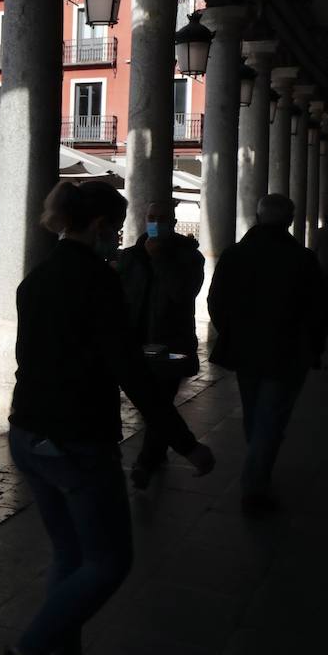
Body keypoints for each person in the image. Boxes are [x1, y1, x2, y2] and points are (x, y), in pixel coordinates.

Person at [0, 181, 214, 655]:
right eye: (116, 227)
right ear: (99, 226)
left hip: (29, 431)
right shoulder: (99, 281)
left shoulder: (37, 277)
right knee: (109, 562)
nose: (120, 235)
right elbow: (130, 370)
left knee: (71, 558)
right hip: (77, 438)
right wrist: (185, 443)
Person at [208, 194, 328, 513]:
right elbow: (319, 309)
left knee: (254, 412)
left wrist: (232, 333)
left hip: (245, 350)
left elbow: (215, 301)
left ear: (257, 218)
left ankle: (258, 467)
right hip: (288, 351)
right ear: (289, 221)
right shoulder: (302, 259)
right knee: (271, 417)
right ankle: (254, 485)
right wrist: (315, 345)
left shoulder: (235, 255)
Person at [115, 199, 205, 489]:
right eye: (151, 217)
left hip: (171, 343)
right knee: (151, 404)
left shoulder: (190, 257)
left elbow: (182, 293)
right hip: (138, 343)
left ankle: (145, 462)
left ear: (174, 223)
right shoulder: (131, 256)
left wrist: (160, 260)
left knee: (160, 402)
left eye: (162, 218)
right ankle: (158, 450)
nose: (155, 222)